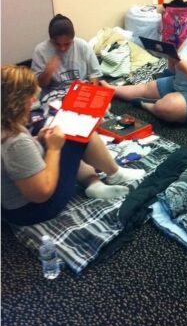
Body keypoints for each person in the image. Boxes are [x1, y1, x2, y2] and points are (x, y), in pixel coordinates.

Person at [1, 65, 145, 226]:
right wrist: (54, 149)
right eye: (29, 97)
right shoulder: (15, 140)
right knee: (77, 133)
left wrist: (38, 140)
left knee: (68, 134)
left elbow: (18, 160)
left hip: (17, 206)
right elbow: (41, 193)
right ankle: (115, 173)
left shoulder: (6, 125)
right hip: (35, 210)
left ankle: (94, 183)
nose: (34, 100)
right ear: (15, 102)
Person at [101, 1, 187, 124]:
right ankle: (112, 90)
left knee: (167, 107)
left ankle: (147, 104)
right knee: (146, 87)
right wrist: (171, 59)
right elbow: (173, 69)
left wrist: (185, 68)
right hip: (181, 84)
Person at [31, 14, 102, 103]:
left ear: (73, 39)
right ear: (51, 40)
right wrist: (48, 72)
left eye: (67, 44)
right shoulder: (40, 51)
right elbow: (39, 85)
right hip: (55, 94)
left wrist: (90, 94)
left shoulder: (83, 46)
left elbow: (94, 75)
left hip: (82, 90)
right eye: (57, 44)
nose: (62, 48)